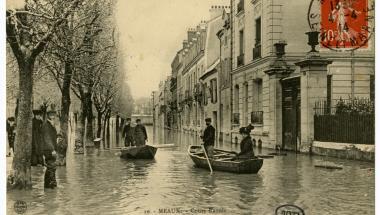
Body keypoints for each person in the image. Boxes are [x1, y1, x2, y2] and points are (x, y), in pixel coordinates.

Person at [41, 109, 58, 189]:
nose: (53, 116)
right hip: (48, 149)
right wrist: (52, 150)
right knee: (51, 166)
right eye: (51, 115)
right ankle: (52, 185)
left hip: (50, 148)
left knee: (50, 167)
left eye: (54, 115)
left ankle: (47, 186)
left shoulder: (50, 124)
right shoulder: (46, 125)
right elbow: (47, 138)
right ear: (48, 115)